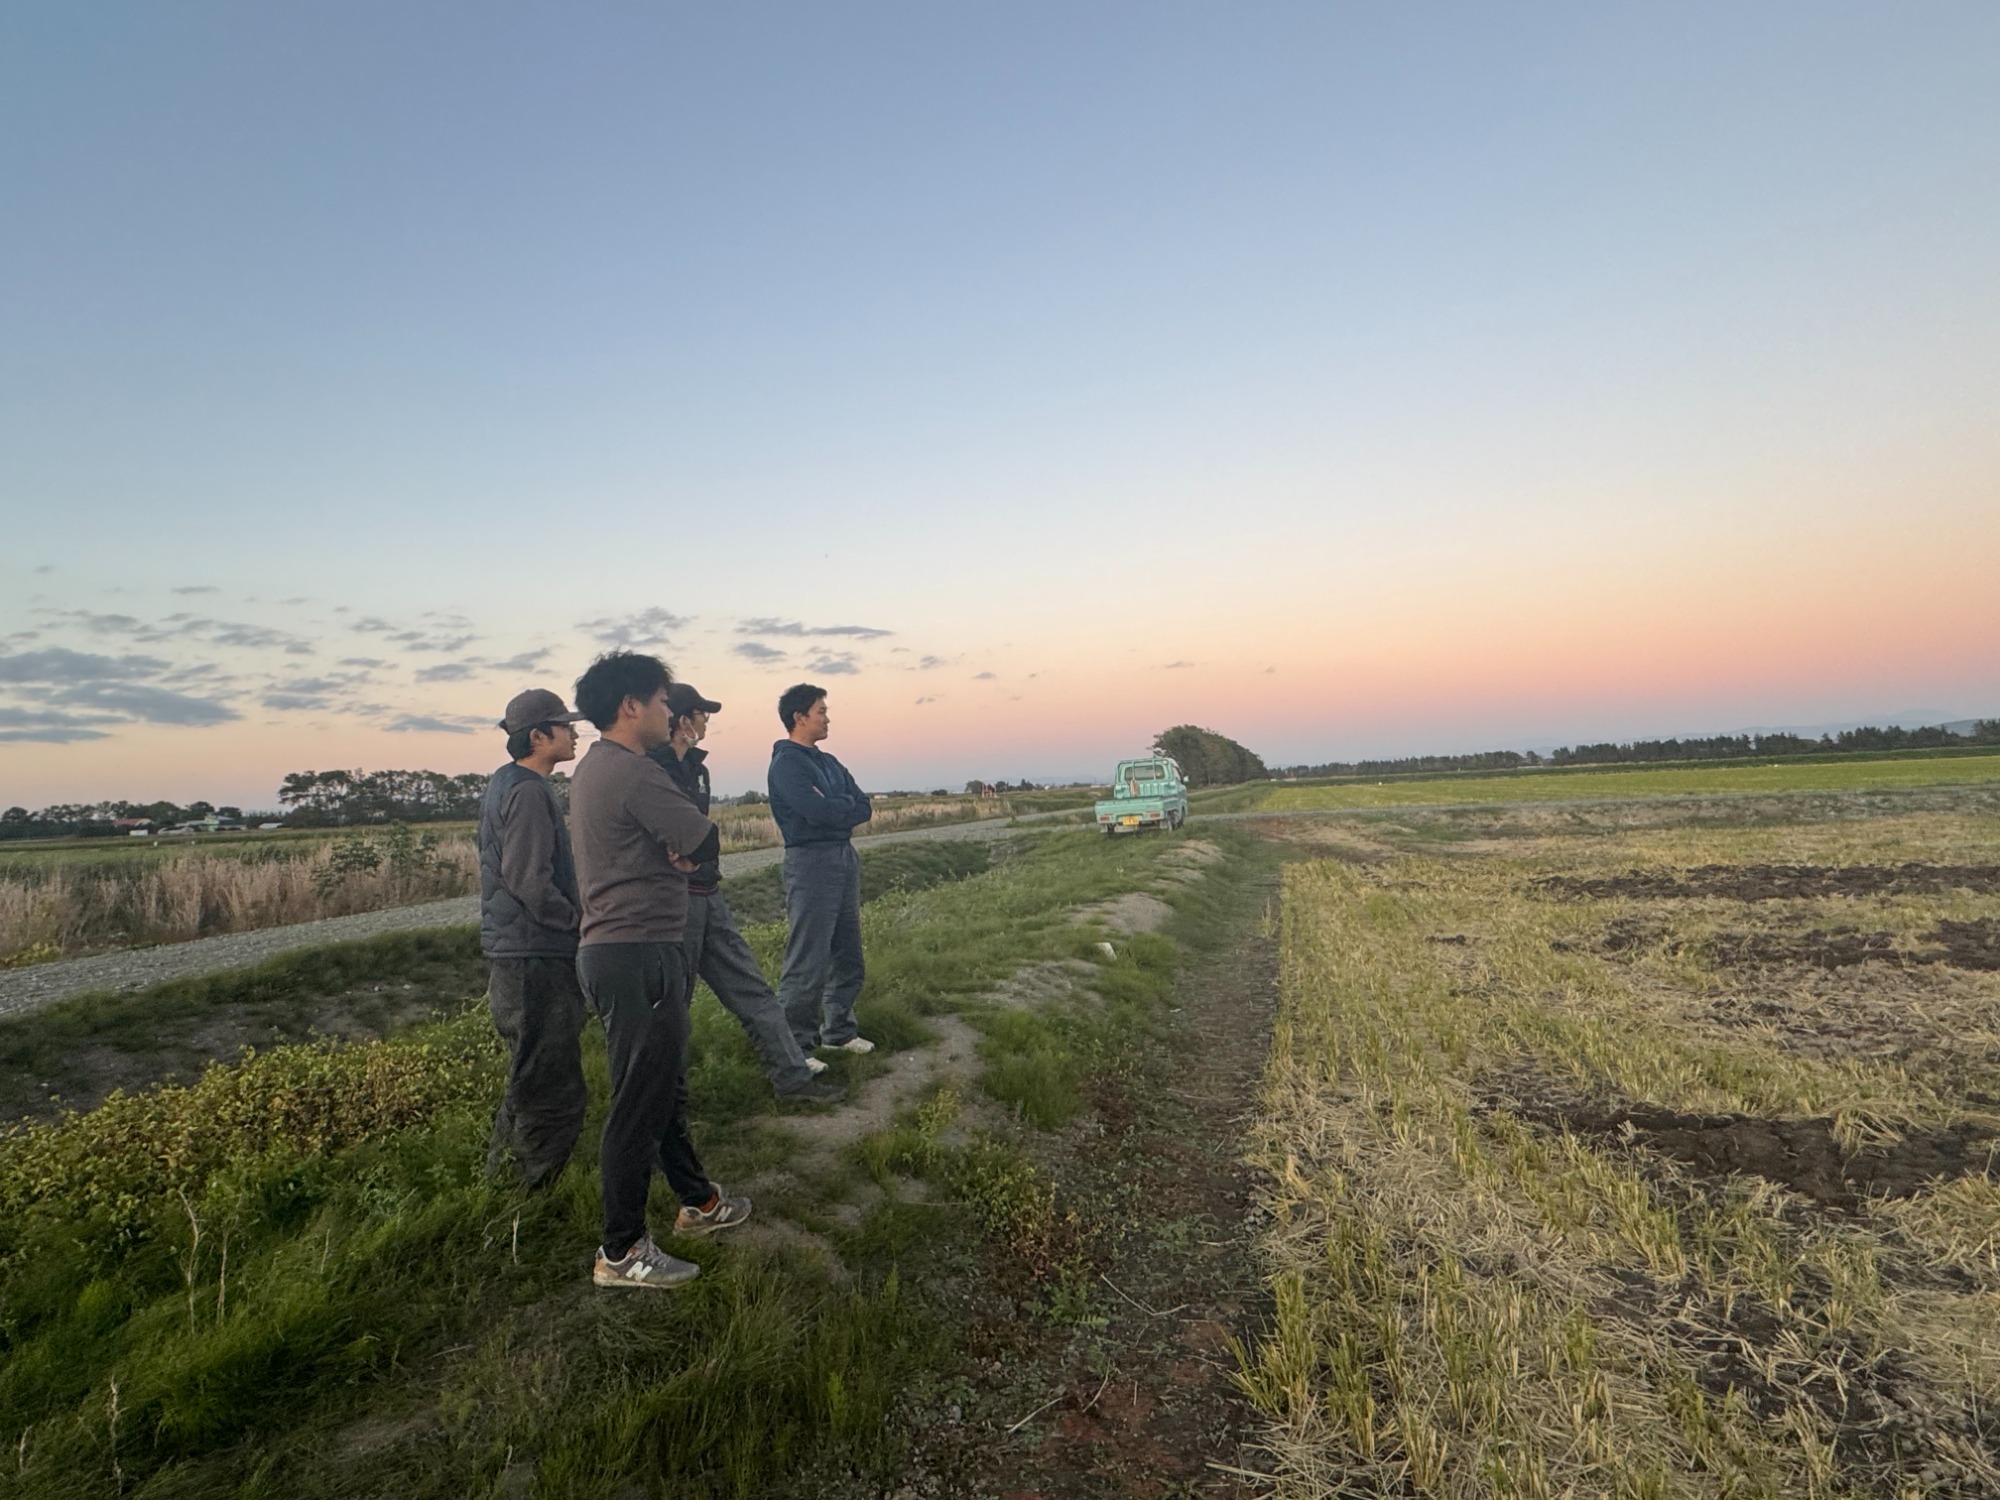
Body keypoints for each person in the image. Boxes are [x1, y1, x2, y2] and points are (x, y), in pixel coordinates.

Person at [569, 650, 749, 1291]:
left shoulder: (595, 767)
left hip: (623, 950)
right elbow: (703, 839)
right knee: (638, 1103)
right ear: (631, 706)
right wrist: (686, 851)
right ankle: (621, 1251)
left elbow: (678, 843)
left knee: (661, 1087)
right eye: (664, 701)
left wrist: (676, 850)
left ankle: (698, 1202)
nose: (671, 713)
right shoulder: (633, 771)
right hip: (639, 950)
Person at [649, 683, 844, 1103]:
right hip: (673, 903)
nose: (706, 722)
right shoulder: (649, 771)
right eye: (701, 715)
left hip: (708, 893)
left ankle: (793, 1080)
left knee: (753, 991)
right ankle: (664, 1106)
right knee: (671, 1009)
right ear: (682, 722)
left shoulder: (697, 770)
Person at [477, 688, 589, 1190]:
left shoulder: (506, 782)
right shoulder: (527, 791)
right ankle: (532, 1194)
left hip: (519, 951)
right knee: (549, 1081)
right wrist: (577, 922)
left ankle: (502, 1181)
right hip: (534, 954)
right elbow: (529, 882)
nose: (575, 733)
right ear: (538, 737)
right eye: (565, 726)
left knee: (529, 1073)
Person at [767, 683, 874, 1059]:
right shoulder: (787, 765)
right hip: (810, 863)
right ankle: (796, 1046)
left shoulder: (829, 763)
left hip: (843, 857)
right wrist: (838, 807)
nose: (828, 718)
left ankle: (839, 1031)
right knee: (808, 957)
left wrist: (834, 805)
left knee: (848, 952)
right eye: (821, 711)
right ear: (799, 717)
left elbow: (863, 806)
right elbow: (817, 812)